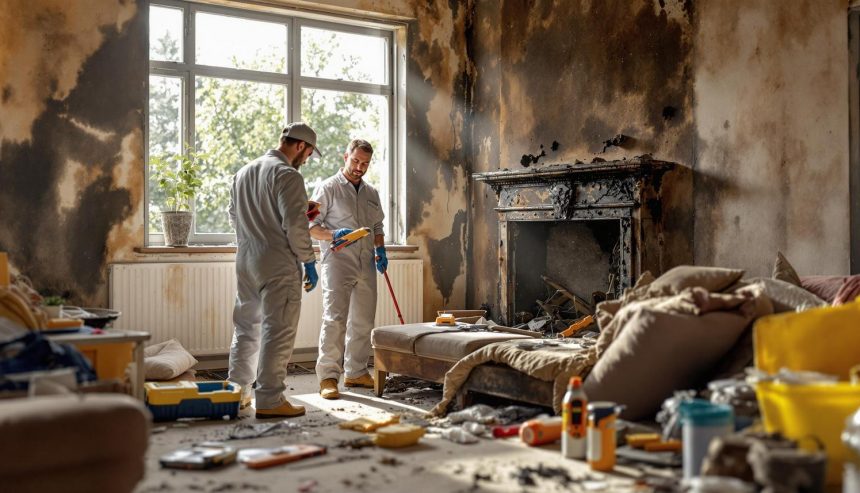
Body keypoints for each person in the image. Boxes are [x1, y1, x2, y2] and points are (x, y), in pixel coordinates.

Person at [227, 122, 321, 418]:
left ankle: (238, 392)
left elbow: (234, 216)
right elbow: (294, 225)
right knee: (277, 328)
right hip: (277, 261)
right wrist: (308, 260)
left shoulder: (243, 173)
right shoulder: (287, 174)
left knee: (246, 327)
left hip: (246, 259)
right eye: (307, 154)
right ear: (300, 146)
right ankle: (269, 399)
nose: (306, 160)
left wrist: (257, 233)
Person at [309, 139, 387, 399]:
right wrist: (333, 234)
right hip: (338, 261)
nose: (359, 167)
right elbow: (310, 227)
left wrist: (381, 249)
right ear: (345, 157)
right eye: (355, 161)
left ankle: (355, 372)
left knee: (363, 320)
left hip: (366, 262)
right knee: (335, 319)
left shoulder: (372, 193)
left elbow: (377, 227)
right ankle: (328, 377)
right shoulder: (326, 188)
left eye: (364, 163)